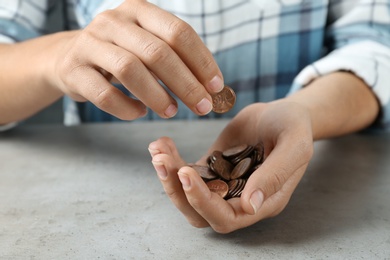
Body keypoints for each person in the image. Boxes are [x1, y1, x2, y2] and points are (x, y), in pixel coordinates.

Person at [1, 0, 390, 233]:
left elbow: (375, 45)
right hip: (93, 204)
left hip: (323, 188)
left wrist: (304, 111)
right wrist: (58, 57)